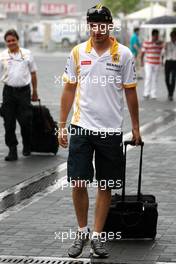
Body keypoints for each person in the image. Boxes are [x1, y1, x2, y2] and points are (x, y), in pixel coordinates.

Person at [59, 4, 142, 258]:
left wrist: (136, 127)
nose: (97, 30)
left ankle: (97, 237)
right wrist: (62, 125)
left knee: (105, 184)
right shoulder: (77, 52)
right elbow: (69, 89)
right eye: (92, 25)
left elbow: (130, 92)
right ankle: (82, 231)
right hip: (81, 127)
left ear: (110, 25)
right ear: (88, 26)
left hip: (110, 131)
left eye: (102, 25)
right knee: (78, 181)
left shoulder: (124, 55)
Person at [0, 29, 38, 161]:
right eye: (8, 41)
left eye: (13, 40)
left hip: (24, 92)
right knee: (8, 122)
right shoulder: (2, 55)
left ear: (17, 40)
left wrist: (35, 91)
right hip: (8, 92)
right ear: (6, 42)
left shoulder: (27, 54)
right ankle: (12, 150)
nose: (11, 43)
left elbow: (33, 73)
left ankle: (27, 145)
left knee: (25, 121)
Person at [141, 29, 164, 99]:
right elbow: (142, 53)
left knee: (155, 79)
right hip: (148, 63)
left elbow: (163, 52)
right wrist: (141, 61)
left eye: (158, 36)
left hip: (157, 63)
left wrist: (161, 43)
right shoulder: (146, 43)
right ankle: (146, 93)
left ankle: (153, 94)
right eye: (156, 36)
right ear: (153, 35)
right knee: (148, 77)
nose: (157, 37)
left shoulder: (160, 44)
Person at [163, 30, 176, 101]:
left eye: (174, 37)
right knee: (166, 79)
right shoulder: (167, 44)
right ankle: (169, 91)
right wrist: (164, 49)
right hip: (168, 62)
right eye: (172, 36)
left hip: (175, 62)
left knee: (173, 78)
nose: (172, 38)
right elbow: (163, 53)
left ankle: (171, 94)